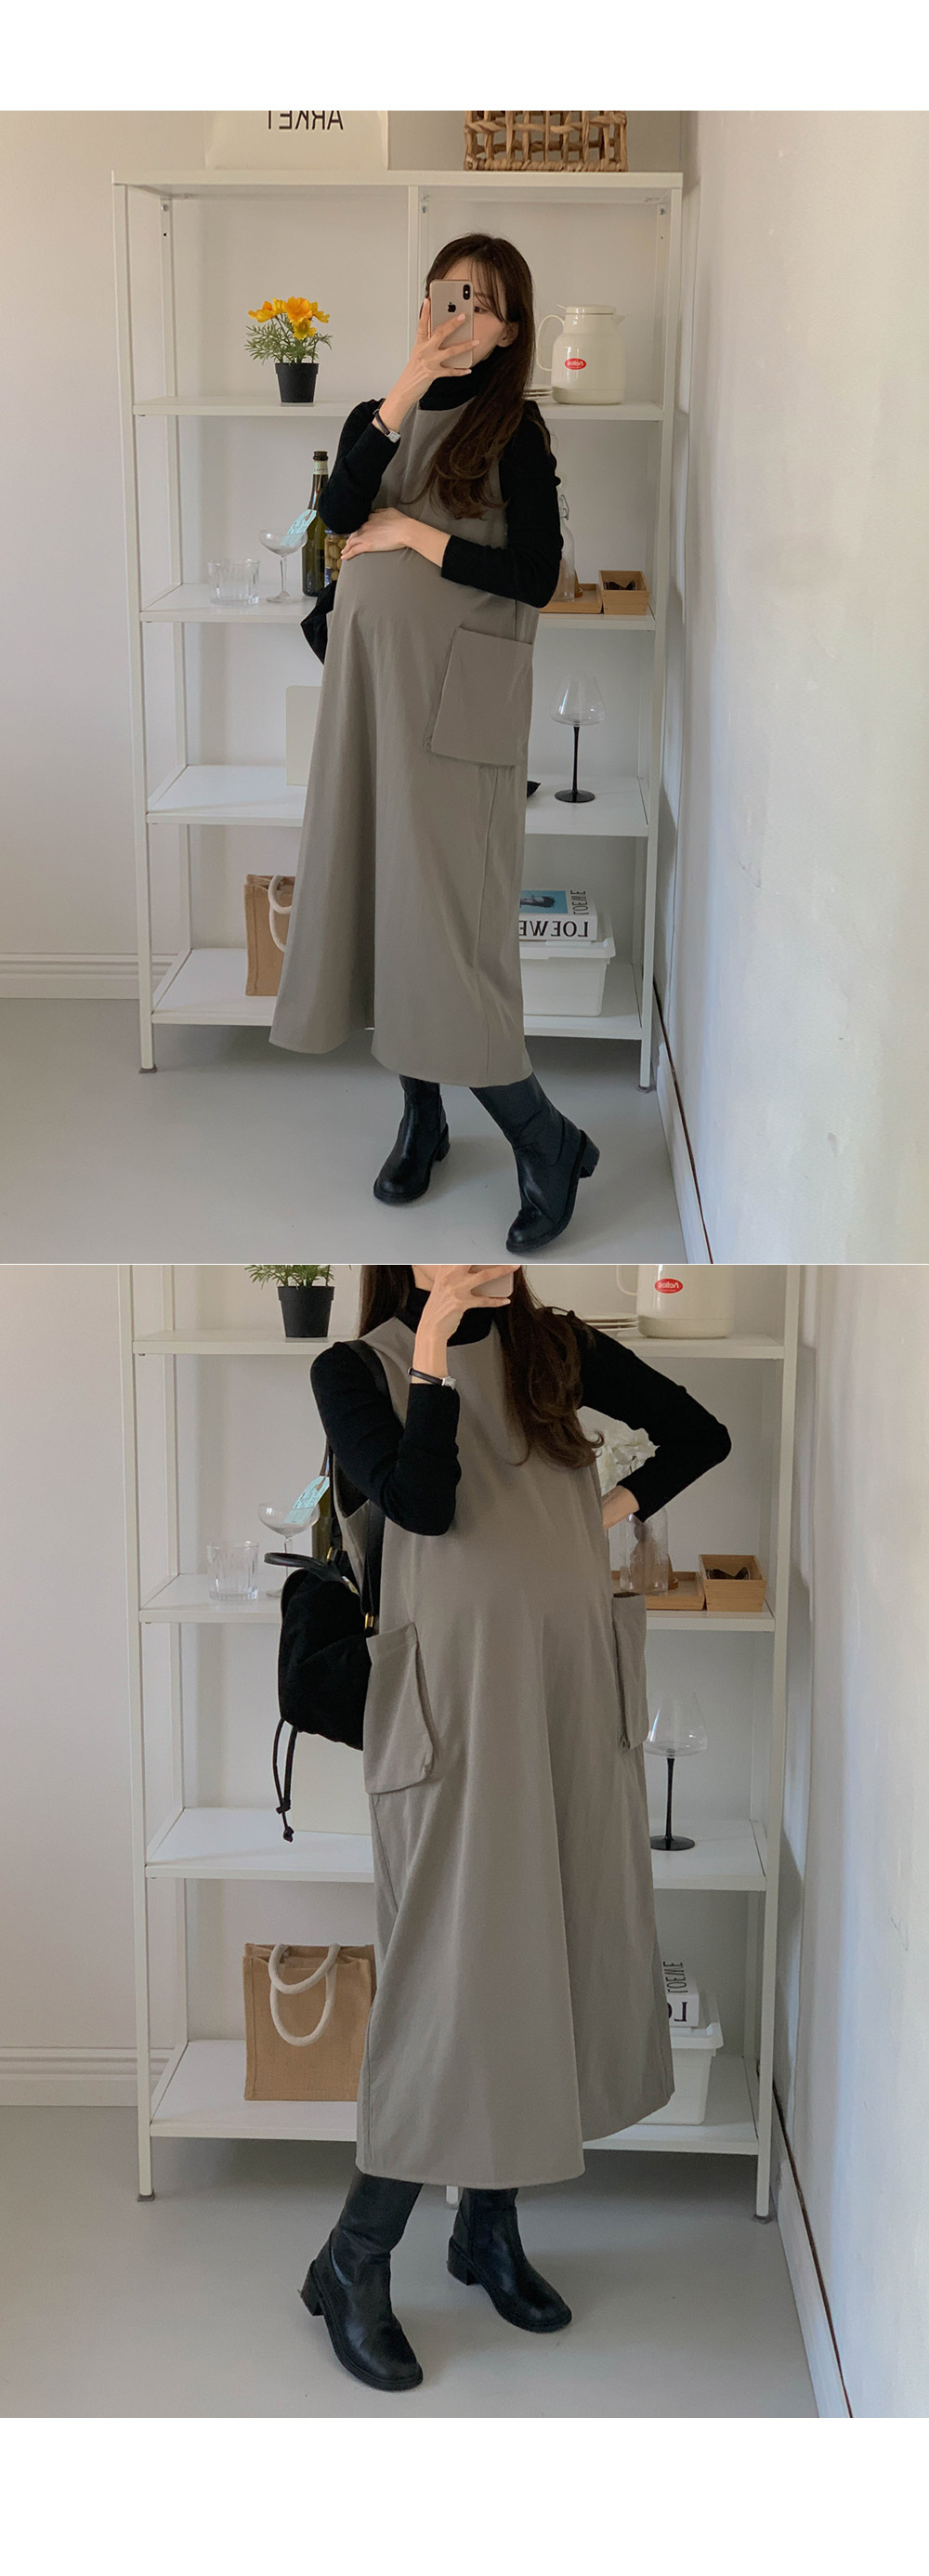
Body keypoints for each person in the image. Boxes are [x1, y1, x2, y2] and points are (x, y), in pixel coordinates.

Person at [301, 1262, 732, 2393]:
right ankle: (352, 2258)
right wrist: (433, 1348)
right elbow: (422, 1505)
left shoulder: (558, 1345)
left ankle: (484, 2230)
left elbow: (700, 1434)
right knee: (449, 1981)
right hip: (450, 1709)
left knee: (544, 1954)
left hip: (565, 1688)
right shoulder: (354, 1370)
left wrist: (599, 1514)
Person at [269, 235, 601, 1253]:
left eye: (482, 304)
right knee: (387, 909)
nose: (460, 316)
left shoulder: (518, 432)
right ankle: (422, 1117)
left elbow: (535, 575)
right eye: (446, 297)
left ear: (510, 329)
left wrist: (415, 536)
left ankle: (546, 1137)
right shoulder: (379, 413)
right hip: (372, 698)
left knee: (452, 937)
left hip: (458, 713)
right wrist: (406, 388)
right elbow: (335, 517)